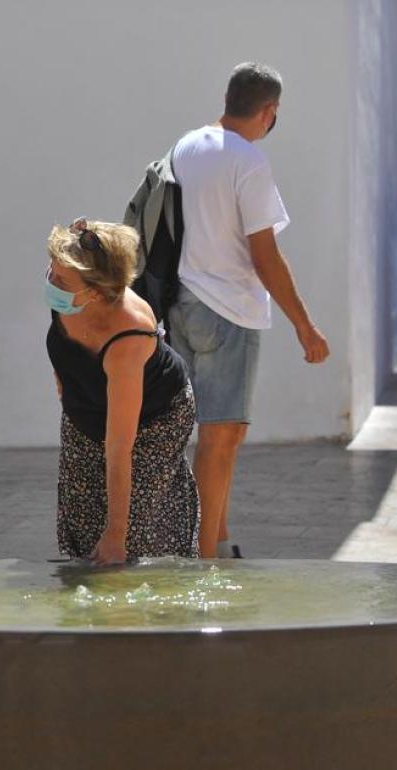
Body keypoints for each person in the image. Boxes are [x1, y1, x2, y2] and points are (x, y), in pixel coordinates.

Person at [164, 62, 329, 559]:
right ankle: (204, 558)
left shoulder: (186, 146)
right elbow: (265, 256)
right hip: (227, 310)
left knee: (209, 433)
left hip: (182, 303)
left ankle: (217, 539)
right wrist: (305, 326)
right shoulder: (249, 161)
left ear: (228, 98)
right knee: (221, 437)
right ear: (269, 110)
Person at [46, 218, 199, 564]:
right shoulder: (69, 293)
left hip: (153, 419)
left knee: (137, 532)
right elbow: (63, 344)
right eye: (51, 271)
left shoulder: (130, 334)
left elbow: (119, 445)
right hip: (87, 404)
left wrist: (116, 535)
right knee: (84, 511)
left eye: (61, 280)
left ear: (96, 292)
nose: (51, 281)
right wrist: (67, 383)